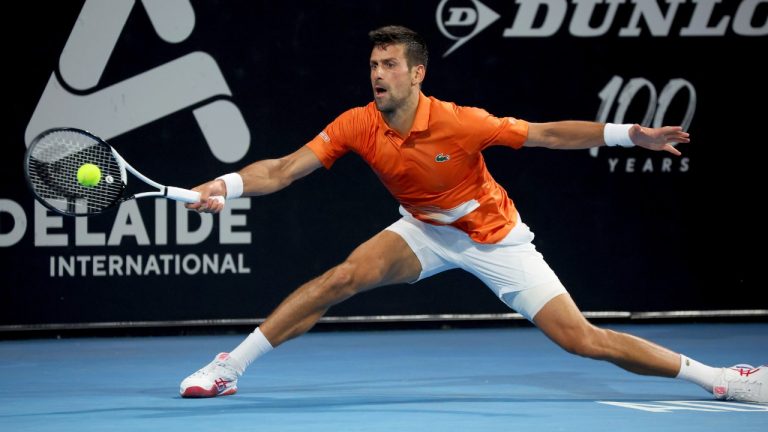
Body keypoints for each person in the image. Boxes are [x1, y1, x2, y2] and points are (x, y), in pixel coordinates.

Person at [178, 25, 766, 403]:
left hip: (496, 238)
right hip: (424, 231)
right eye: (373, 65)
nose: (377, 74)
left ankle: (718, 379)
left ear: (417, 73)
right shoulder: (358, 123)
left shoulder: (461, 122)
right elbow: (281, 170)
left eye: (388, 64)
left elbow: (547, 134)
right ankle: (230, 366)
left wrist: (624, 135)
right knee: (341, 278)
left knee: (582, 340)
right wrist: (225, 186)